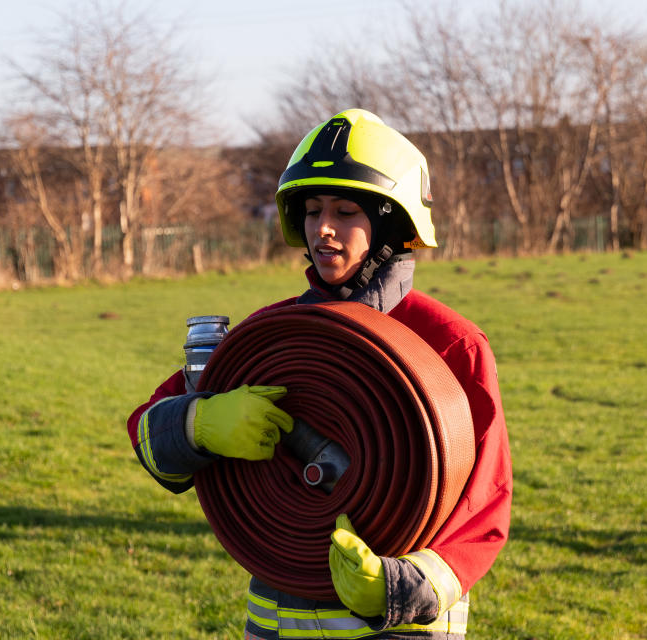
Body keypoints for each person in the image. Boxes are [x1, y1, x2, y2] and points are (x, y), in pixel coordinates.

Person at [126, 108, 512, 639]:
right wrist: (197, 423)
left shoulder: (450, 344)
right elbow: (146, 433)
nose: (323, 229)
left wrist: (398, 588)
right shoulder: (274, 336)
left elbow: (484, 510)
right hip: (277, 624)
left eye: (346, 210)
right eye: (312, 211)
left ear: (391, 223)